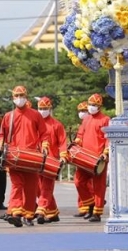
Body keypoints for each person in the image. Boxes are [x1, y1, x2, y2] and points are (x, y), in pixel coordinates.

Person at [0, 85, 50, 227]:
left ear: (26, 97)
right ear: (13, 98)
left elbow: (44, 133)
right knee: (17, 184)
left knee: (31, 187)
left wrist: (45, 146)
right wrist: (1, 144)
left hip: (32, 156)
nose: (19, 98)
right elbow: (1, 134)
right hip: (14, 156)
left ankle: (28, 215)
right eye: (17, 96)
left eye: (22, 96)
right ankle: (15, 213)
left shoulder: (35, 114)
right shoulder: (9, 116)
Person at [74, 93, 110, 222]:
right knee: (78, 182)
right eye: (90, 104)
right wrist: (76, 143)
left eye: (94, 105)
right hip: (84, 157)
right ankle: (90, 204)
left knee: (99, 186)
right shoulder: (86, 119)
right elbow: (80, 134)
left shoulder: (105, 119)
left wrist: (105, 152)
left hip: (98, 158)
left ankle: (97, 213)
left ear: (99, 107)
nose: (91, 107)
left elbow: (108, 139)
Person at [35, 97, 67, 224]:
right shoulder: (34, 124)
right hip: (36, 160)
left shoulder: (56, 125)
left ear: (50, 109)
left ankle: (41, 211)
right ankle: (52, 213)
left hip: (51, 161)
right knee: (38, 188)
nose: (42, 111)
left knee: (46, 188)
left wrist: (63, 156)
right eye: (40, 109)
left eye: (45, 109)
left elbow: (62, 142)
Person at [73, 101, 94, 217]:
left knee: (88, 183)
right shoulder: (83, 123)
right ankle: (84, 206)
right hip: (81, 156)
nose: (82, 113)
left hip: (92, 156)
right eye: (80, 111)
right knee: (80, 182)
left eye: (84, 111)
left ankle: (91, 205)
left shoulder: (94, 121)